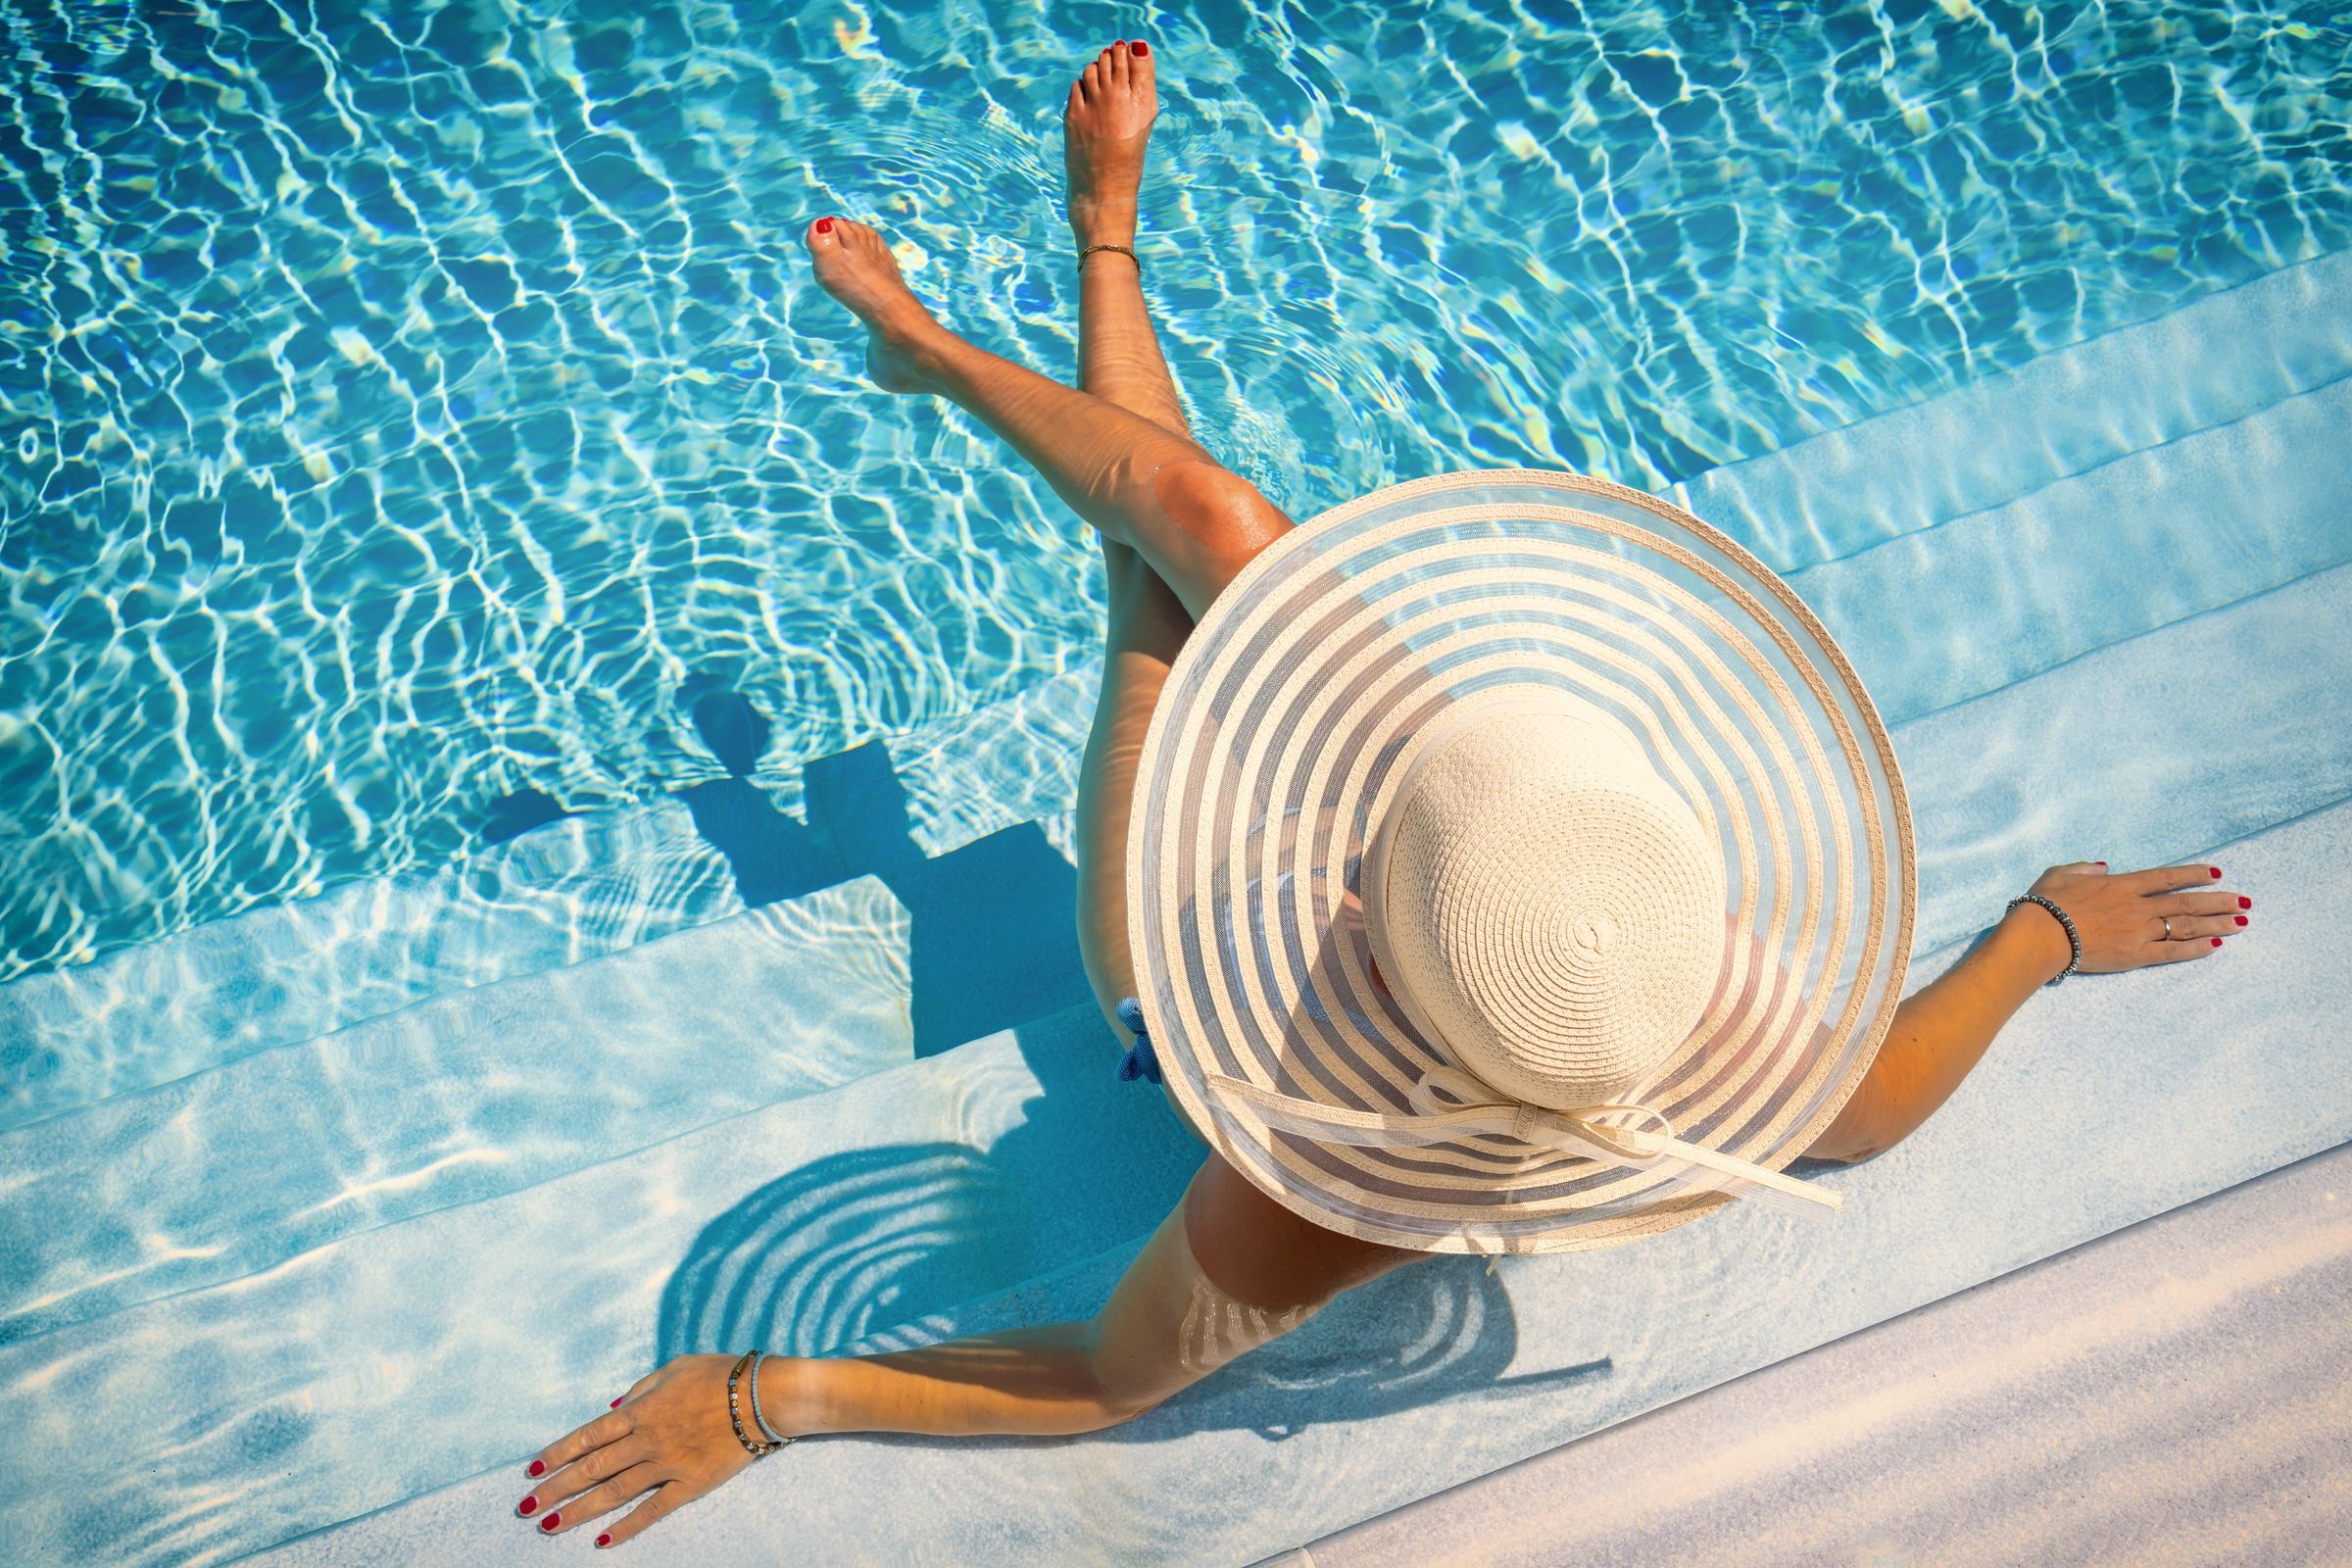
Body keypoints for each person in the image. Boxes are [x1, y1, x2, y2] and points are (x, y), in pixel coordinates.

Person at [511, 40, 2250, 1548]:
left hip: (1190, 963)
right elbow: (1861, 1111)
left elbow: (1109, 1381)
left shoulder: (1319, 1188)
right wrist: (2037, 940)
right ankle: (1050, 292)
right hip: (1447, 844)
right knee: (1208, 532)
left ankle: (977, 322)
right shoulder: (1640, 950)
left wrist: (767, 1398)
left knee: (1156, 606)